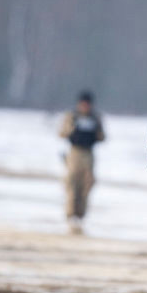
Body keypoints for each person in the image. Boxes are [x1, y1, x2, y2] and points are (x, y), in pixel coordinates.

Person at [58, 91, 105, 234]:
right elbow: (62, 133)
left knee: (87, 184)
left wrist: (94, 129)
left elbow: (102, 137)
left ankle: (80, 216)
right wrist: (73, 127)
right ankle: (70, 216)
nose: (85, 107)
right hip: (74, 153)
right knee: (72, 184)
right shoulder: (72, 116)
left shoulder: (95, 118)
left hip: (88, 154)